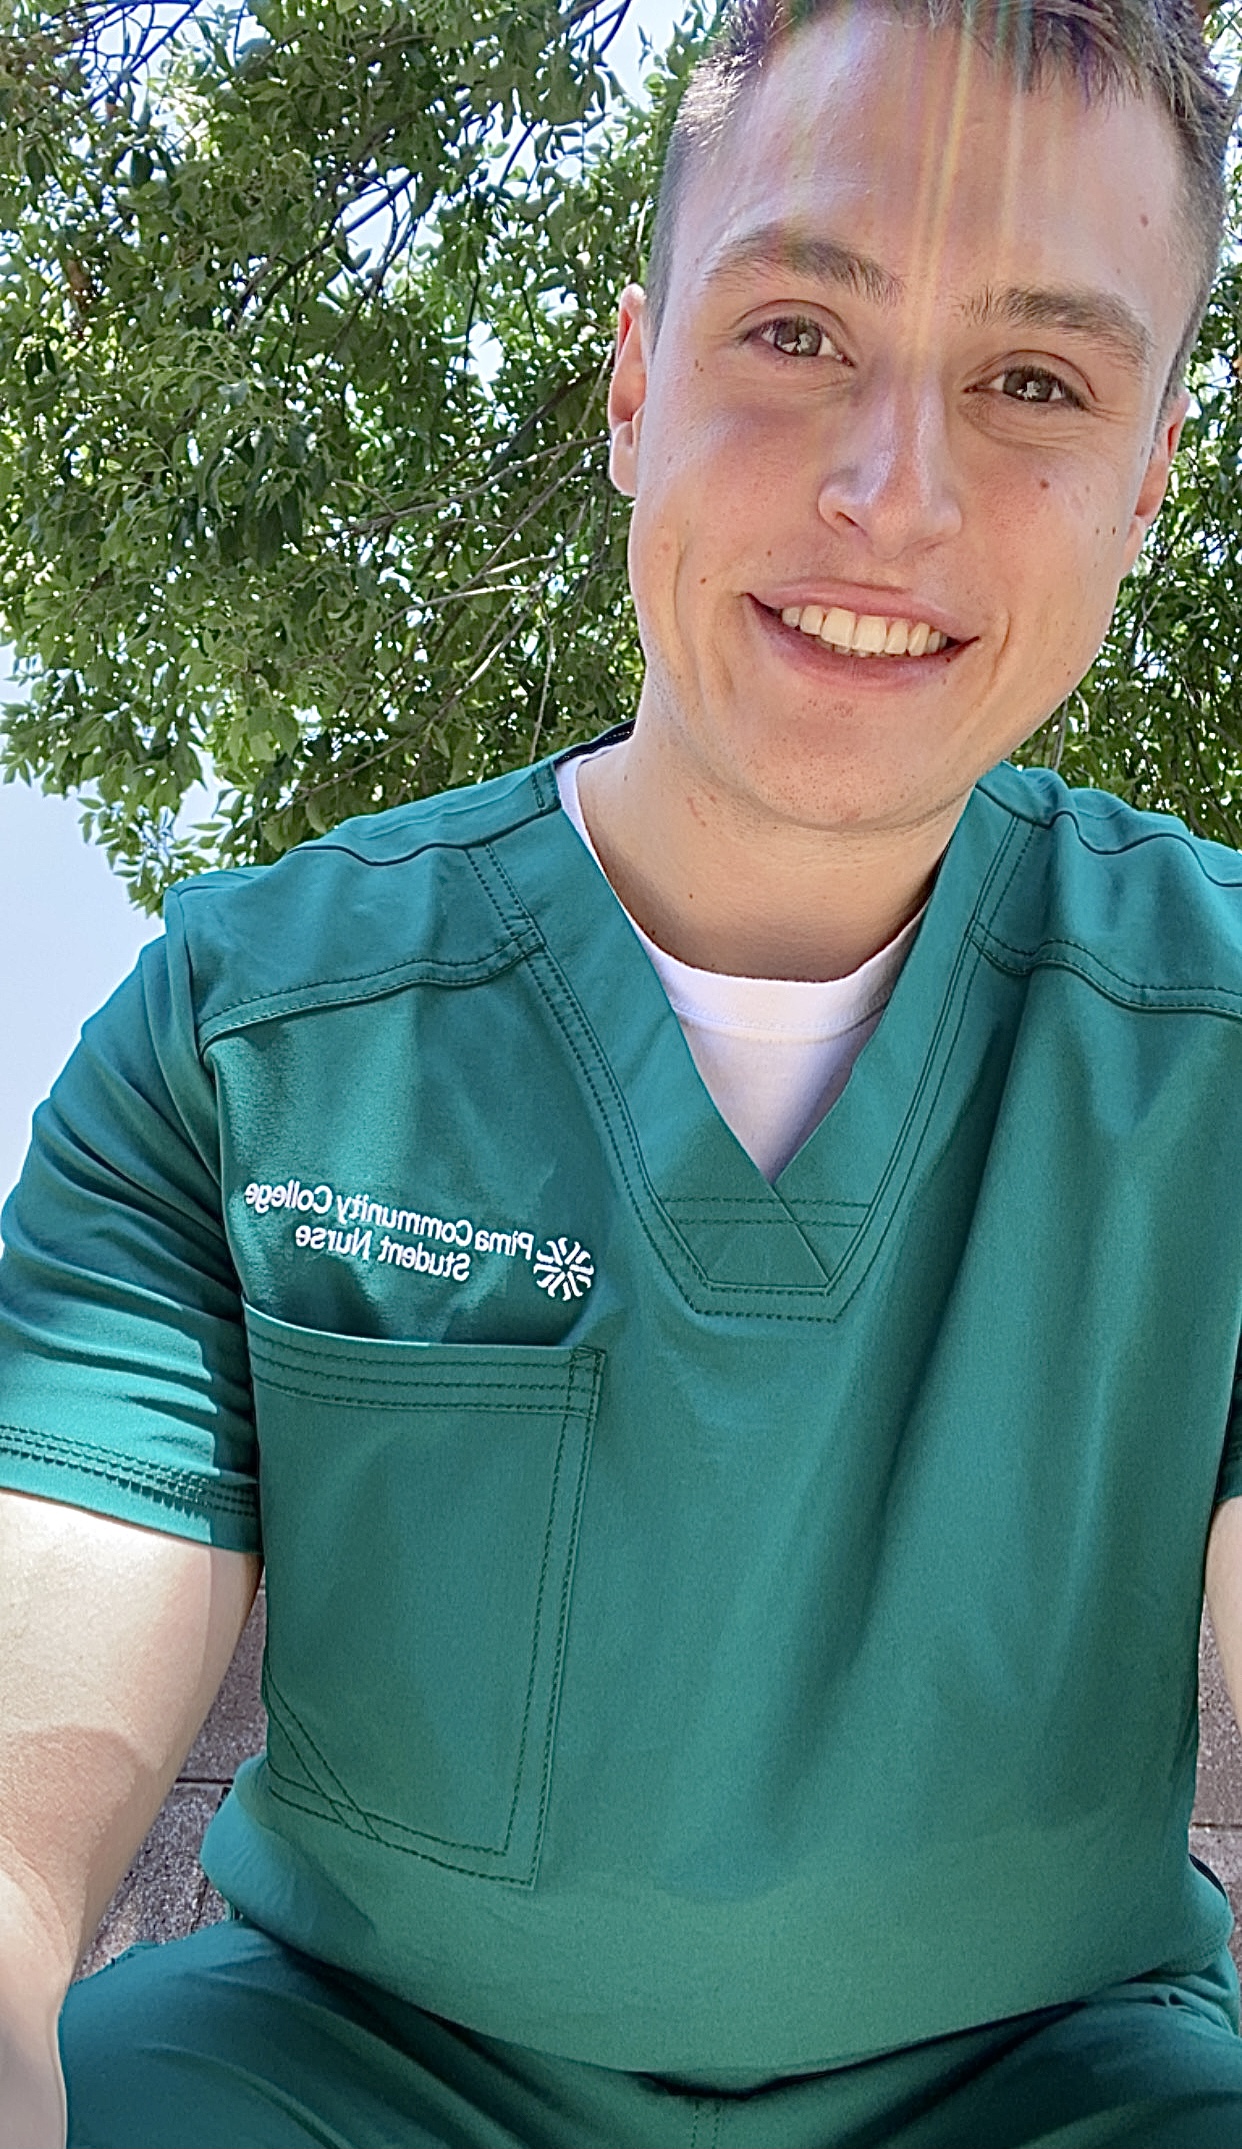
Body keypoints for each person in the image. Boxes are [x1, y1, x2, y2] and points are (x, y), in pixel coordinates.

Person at [3, 0, 1242, 2140]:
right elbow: (29, 1795)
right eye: (795, 331)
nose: (893, 492)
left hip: (1060, 2081)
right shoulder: (245, 1025)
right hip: (346, 2074)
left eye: (1034, 379)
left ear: (1147, 480)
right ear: (633, 380)